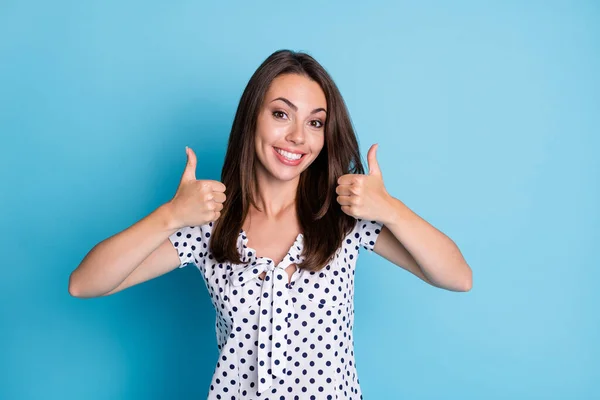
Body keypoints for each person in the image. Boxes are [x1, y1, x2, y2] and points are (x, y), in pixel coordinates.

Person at [69, 49, 472, 399]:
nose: (297, 136)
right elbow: (85, 283)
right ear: (252, 118)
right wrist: (170, 215)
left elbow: (456, 276)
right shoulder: (209, 226)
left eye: (315, 122)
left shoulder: (344, 219)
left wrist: (391, 209)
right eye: (281, 114)